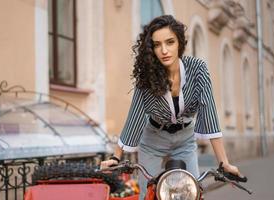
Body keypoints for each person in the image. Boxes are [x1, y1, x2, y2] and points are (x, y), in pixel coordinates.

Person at [101, 15, 245, 199]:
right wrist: (116, 157)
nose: (164, 50)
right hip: (153, 139)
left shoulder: (198, 69)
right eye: (157, 45)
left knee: (192, 191)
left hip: (185, 139)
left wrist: (224, 163)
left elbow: (208, 112)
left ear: (180, 43)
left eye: (170, 42)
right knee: (148, 194)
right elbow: (135, 116)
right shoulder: (147, 77)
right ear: (151, 49)